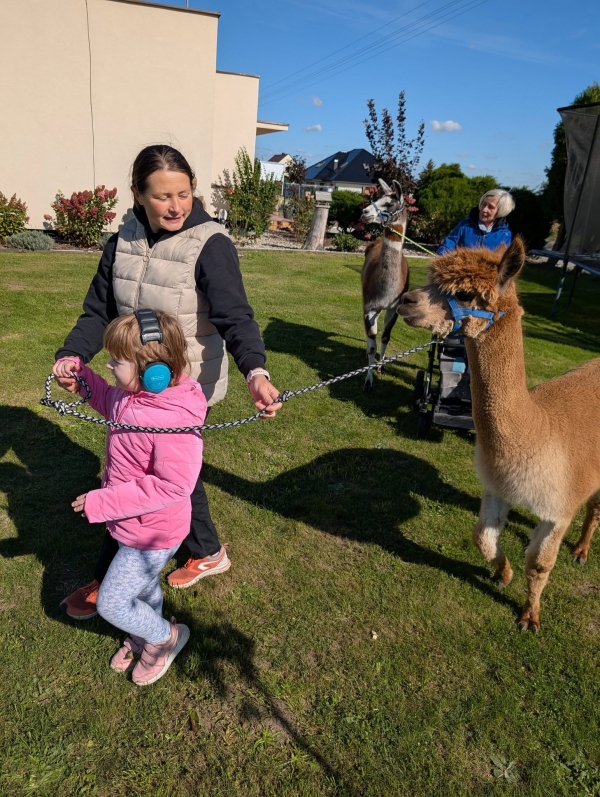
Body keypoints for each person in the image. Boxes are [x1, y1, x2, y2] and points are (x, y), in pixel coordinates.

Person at [54, 144, 282, 619]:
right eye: (162, 197)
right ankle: (208, 551)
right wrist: (74, 353)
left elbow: (235, 316)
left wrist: (255, 371)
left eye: (183, 193)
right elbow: (99, 310)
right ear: (138, 195)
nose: (176, 206)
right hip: (133, 383)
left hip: (182, 390)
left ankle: (108, 578)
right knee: (178, 476)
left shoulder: (209, 243)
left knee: (135, 478)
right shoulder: (123, 239)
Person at [57, 311, 204, 685]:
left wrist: (101, 502)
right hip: (133, 523)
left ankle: (163, 638)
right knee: (143, 586)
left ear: (152, 370)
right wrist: (83, 381)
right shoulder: (133, 394)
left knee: (112, 602)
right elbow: (111, 401)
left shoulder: (173, 419)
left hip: (153, 533)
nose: (108, 364)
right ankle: (146, 632)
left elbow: (174, 486)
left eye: (116, 361)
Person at [436, 189, 515, 255]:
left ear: (501, 212)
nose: (484, 209)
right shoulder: (464, 225)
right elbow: (447, 245)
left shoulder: (505, 234)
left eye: (490, 207)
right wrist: (444, 254)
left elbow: (502, 262)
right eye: (483, 204)